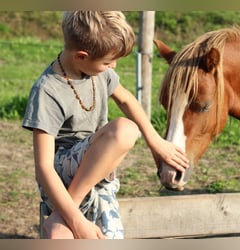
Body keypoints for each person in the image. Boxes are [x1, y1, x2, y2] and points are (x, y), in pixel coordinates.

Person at [22, 11, 189, 239]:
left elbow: (127, 99)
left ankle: (61, 219)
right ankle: (66, 216)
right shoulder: (48, 90)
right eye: (108, 62)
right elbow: (43, 168)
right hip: (60, 174)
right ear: (81, 56)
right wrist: (76, 221)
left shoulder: (100, 73)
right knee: (125, 129)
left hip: (97, 174)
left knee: (105, 237)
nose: (114, 67)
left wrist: (156, 141)